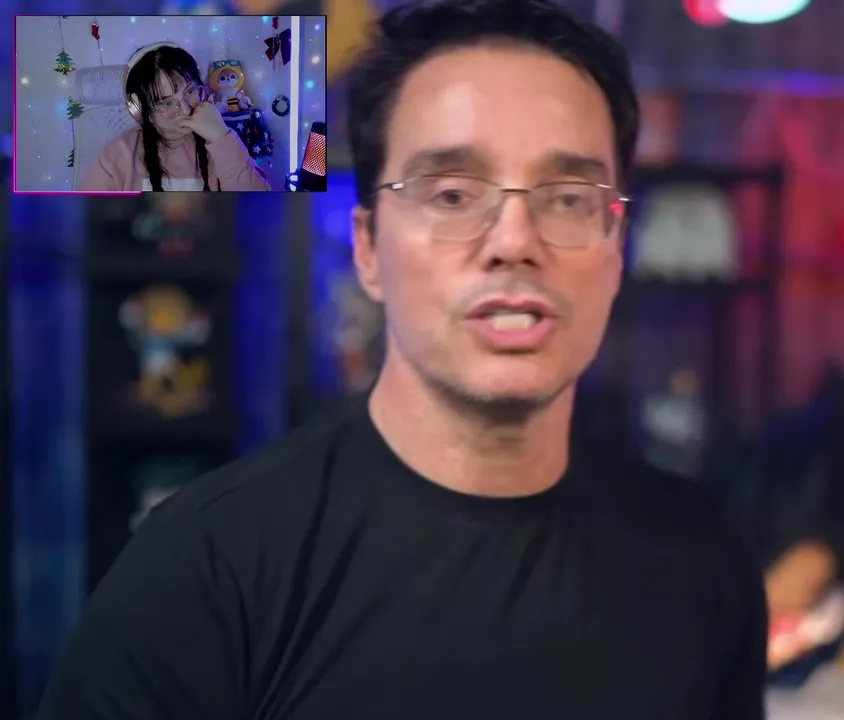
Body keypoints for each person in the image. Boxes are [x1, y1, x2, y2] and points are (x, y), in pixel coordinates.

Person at [36, 1, 767, 718]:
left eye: (569, 198)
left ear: (616, 250)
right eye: (452, 194)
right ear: (367, 249)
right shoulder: (205, 572)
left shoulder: (702, 565)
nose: (514, 240)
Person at [81, 43, 271, 191]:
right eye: (166, 103)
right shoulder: (116, 157)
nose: (187, 110)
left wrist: (221, 137)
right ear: (142, 111)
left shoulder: (221, 142)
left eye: (190, 91)